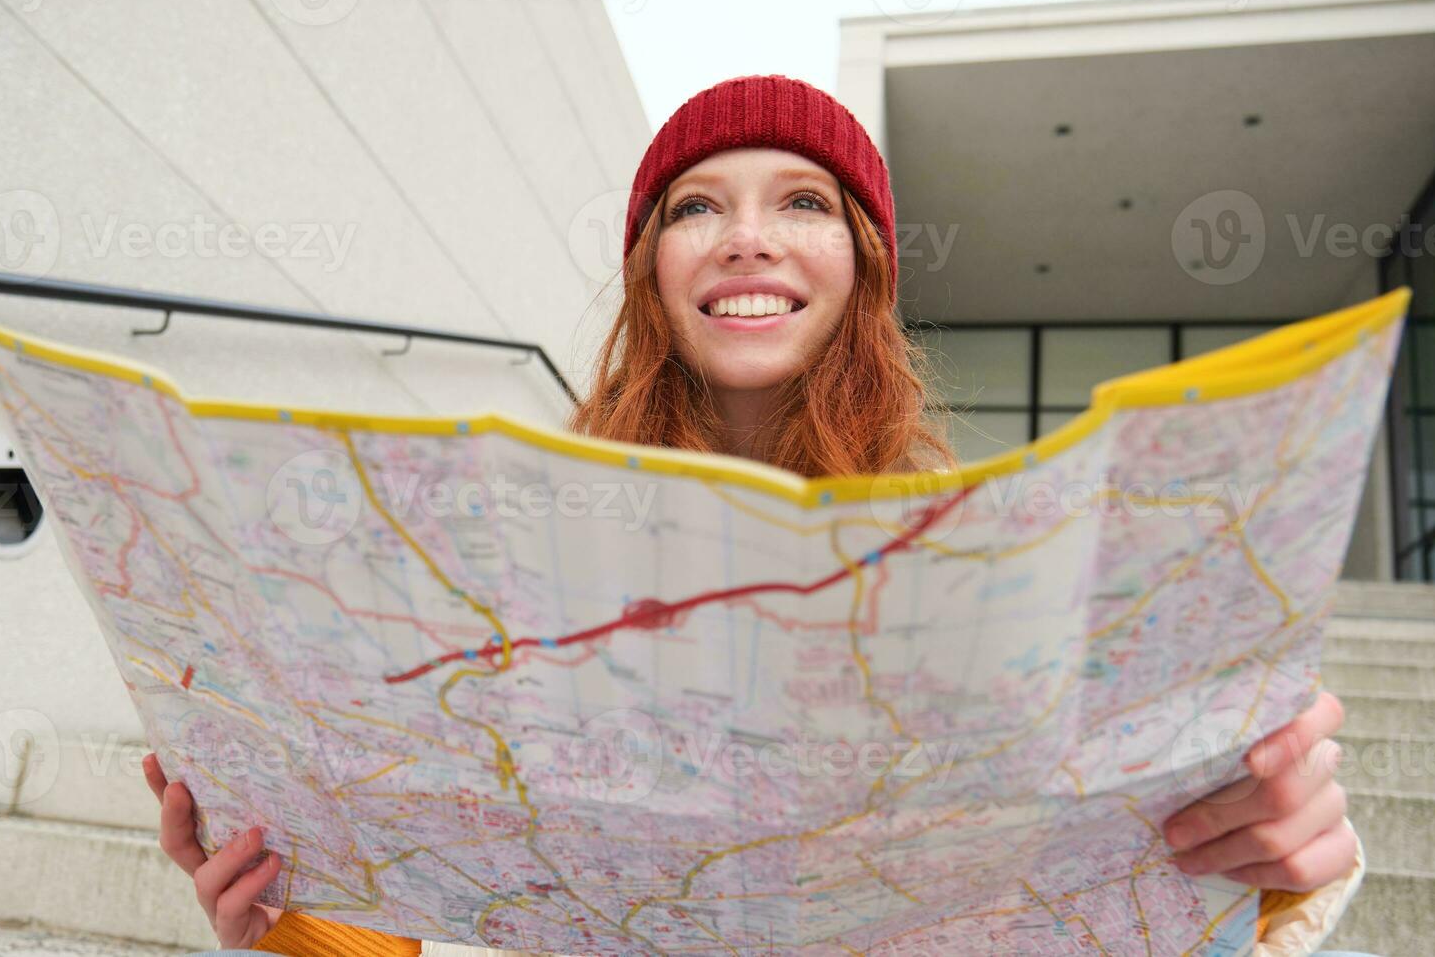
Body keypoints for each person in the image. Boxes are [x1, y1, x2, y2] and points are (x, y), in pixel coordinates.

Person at [141, 74, 1364, 957]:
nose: (743, 240)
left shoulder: (990, 577)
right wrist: (283, 906)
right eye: (693, 206)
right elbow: (425, 915)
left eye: (801, 201)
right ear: (649, 271)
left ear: (865, 263)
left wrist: (1272, 874)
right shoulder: (501, 572)